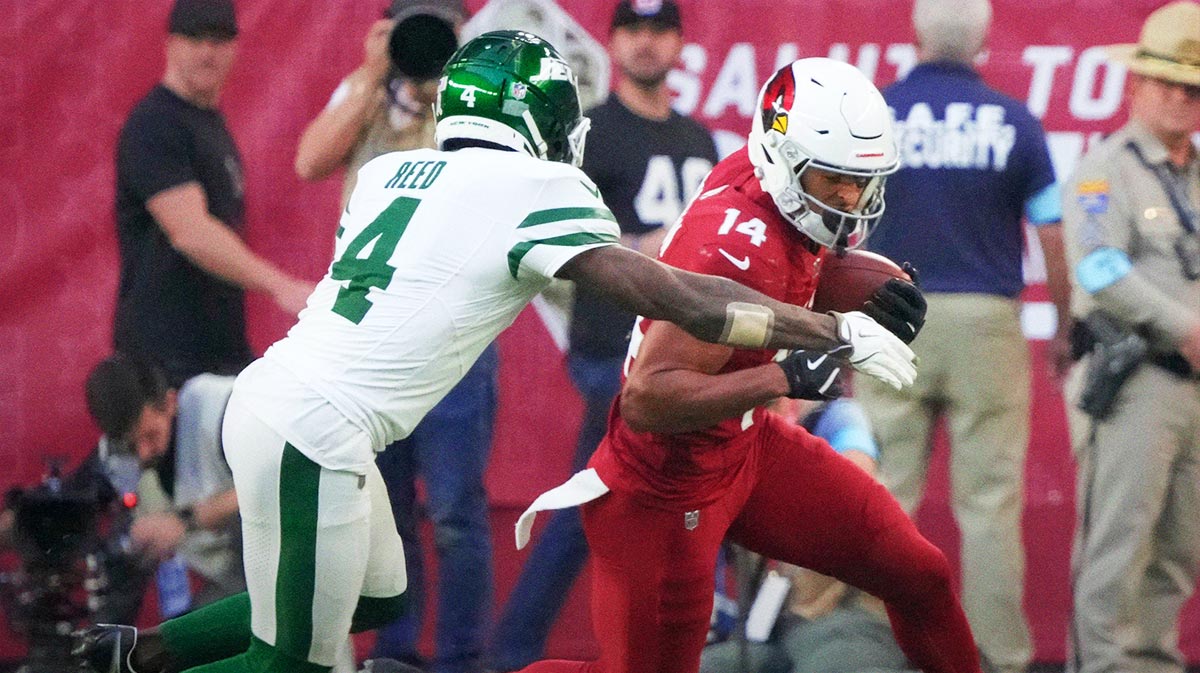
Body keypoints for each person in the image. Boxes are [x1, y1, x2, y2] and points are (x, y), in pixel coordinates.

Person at [74, 32, 918, 673]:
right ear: (538, 118)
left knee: (377, 594)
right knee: (294, 661)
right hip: (316, 427)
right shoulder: (533, 186)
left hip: (286, 401)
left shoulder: (391, 171)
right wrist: (824, 328)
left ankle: (135, 650)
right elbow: (676, 294)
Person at [511, 59, 978, 673]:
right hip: (665, 487)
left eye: (859, 181)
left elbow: (788, 270)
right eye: (831, 179)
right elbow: (649, 400)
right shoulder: (731, 241)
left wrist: (861, 290)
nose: (849, 199)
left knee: (919, 574)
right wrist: (786, 375)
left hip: (746, 447)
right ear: (784, 161)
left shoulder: (767, 181)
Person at [488, 1, 718, 668]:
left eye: (659, 30)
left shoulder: (698, 140)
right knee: (597, 500)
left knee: (664, 503)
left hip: (682, 348)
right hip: (609, 347)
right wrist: (645, 246)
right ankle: (515, 650)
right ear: (613, 42)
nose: (646, 44)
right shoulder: (586, 131)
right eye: (633, 31)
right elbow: (556, 230)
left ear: (678, 42)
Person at [851, 2, 1070, 671]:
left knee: (878, 494)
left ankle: (866, 651)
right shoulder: (1014, 121)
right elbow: (1054, 232)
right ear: (981, 40)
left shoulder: (875, 114)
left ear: (916, 33)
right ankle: (998, 657)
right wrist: (1063, 323)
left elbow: (834, 217)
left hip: (890, 313)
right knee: (990, 503)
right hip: (985, 322)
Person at [295, 5, 494, 670]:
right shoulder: (366, 93)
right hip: (373, 335)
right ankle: (397, 654)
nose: (424, 45)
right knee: (381, 507)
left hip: (455, 336)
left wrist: (448, 90)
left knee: (456, 515)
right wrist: (374, 73)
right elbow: (309, 159)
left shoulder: (477, 101)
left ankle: (462, 658)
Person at [1059, 4, 1200, 673]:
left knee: (1177, 550)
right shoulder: (1104, 168)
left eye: (1195, 85)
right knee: (1117, 546)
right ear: (1134, 86)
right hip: (1135, 378)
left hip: (1192, 391)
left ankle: (1155, 662)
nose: (1181, 95)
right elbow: (1096, 266)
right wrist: (1184, 326)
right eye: (1167, 80)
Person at [113, 0, 313, 386]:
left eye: (219, 40)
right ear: (170, 44)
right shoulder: (155, 124)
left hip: (216, 350)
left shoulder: (209, 124)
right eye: (194, 38)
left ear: (236, 48)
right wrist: (281, 286)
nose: (207, 52)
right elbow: (190, 232)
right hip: (164, 363)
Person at [699, 399, 913, 673]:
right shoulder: (700, 432)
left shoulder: (830, 416)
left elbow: (856, 479)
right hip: (754, 634)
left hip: (836, 618)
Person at [83, 354, 244, 610]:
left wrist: (183, 521)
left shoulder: (223, 409)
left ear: (169, 402)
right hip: (226, 582)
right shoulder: (117, 455)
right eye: (131, 444)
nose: (144, 453)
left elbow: (276, 484)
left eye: (150, 435)